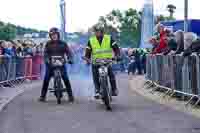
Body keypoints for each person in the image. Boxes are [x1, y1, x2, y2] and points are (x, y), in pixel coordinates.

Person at [39, 27, 74, 102]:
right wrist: (46, 60)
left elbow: (69, 52)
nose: (54, 36)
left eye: (55, 34)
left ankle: (70, 96)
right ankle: (43, 96)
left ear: (58, 35)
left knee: (66, 78)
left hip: (61, 65)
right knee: (46, 79)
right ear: (50, 36)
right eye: (52, 35)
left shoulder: (63, 43)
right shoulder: (48, 44)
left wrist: (70, 59)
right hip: (50, 65)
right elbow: (45, 53)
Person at [84, 26, 121, 98]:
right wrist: (87, 59)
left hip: (107, 61)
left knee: (111, 74)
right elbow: (88, 51)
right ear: (94, 32)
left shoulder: (109, 38)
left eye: (99, 31)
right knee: (95, 75)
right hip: (96, 61)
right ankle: (97, 90)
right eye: (96, 31)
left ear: (102, 32)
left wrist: (117, 55)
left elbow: (116, 48)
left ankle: (114, 89)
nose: (98, 33)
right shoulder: (91, 40)